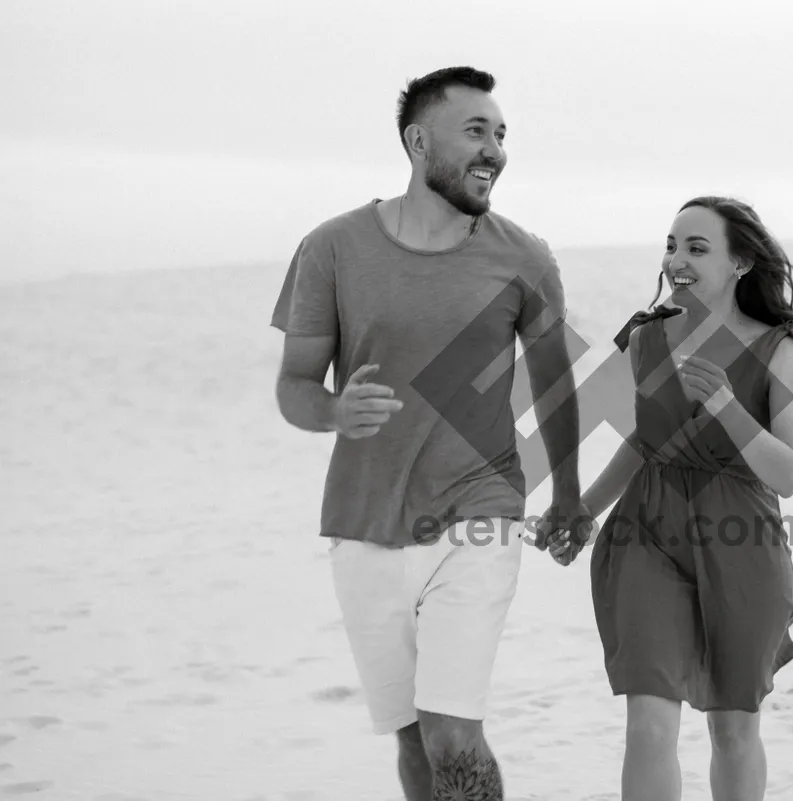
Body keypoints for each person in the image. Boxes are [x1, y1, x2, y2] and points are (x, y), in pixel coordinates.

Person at [270, 66, 592, 800]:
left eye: (501, 134)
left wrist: (568, 496)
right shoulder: (332, 249)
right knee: (414, 738)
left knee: (452, 731)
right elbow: (294, 386)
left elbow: (554, 384)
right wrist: (333, 411)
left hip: (479, 513)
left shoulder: (524, 256)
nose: (495, 150)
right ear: (418, 142)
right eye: (475, 131)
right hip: (363, 523)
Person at [548, 196, 793, 801]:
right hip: (645, 532)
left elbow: (788, 473)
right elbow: (645, 441)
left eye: (696, 247)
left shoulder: (785, 349)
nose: (676, 259)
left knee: (733, 729)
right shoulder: (648, 339)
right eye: (670, 245)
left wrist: (728, 409)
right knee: (648, 721)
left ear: (741, 263)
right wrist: (583, 508)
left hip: (741, 538)